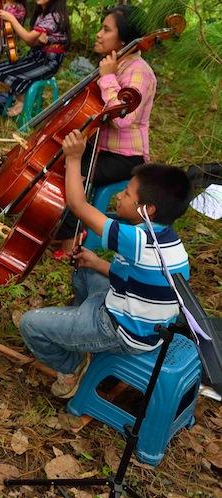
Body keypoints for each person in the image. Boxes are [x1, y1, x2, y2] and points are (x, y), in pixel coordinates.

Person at [19, 131, 191, 398]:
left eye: (127, 193)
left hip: (120, 331)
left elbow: (78, 205)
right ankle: (78, 334)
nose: (120, 197)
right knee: (85, 267)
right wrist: (98, 263)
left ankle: (72, 366)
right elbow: (140, 286)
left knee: (30, 324)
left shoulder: (137, 238)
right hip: (139, 321)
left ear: (148, 209)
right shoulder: (168, 241)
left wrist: (74, 158)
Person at [53, 6, 155, 255]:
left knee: (77, 170)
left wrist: (107, 78)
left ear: (124, 39)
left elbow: (122, 118)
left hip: (126, 156)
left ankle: (71, 240)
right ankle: (58, 226)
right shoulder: (115, 63)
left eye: (106, 30)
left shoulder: (139, 72)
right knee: (65, 158)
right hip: (101, 145)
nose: (99, 34)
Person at [0, 0, 70, 117]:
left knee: (3, 74)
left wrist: (12, 19)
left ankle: (22, 98)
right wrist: (38, 41)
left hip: (47, 62)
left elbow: (26, 38)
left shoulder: (54, 17)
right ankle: (22, 95)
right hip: (34, 57)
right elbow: (31, 42)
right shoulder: (42, 16)